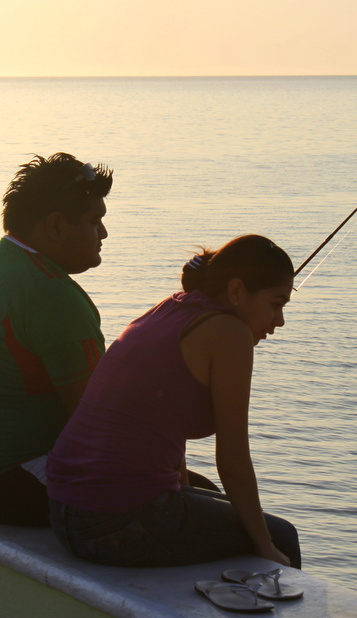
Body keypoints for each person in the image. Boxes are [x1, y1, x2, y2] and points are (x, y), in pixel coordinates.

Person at [47, 234, 302, 568]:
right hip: (111, 524)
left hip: (65, 510)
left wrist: (183, 496)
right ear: (237, 291)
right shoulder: (230, 334)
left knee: (209, 495)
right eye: (275, 303)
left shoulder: (172, 308)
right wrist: (266, 545)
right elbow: (233, 458)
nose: (279, 321)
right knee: (282, 536)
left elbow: (165, 420)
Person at [0, 153, 112, 526]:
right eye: (95, 221)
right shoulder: (49, 294)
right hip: (10, 483)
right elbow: (98, 424)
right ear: (56, 226)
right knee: (201, 503)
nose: (104, 234)